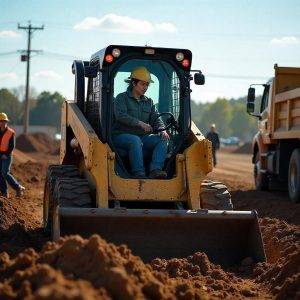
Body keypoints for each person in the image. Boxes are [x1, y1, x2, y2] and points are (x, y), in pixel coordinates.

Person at [113, 66, 169, 179]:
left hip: (142, 137)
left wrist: (163, 130)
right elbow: (121, 116)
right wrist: (140, 123)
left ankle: (155, 170)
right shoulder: (121, 98)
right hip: (120, 136)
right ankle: (139, 173)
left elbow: (156, 118)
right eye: (143, 84)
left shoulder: (149, 102)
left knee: (163, 139)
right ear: (134, 83)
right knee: (135, 140)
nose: (146, 87)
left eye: (147, 84)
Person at [0, 112, 25, 198]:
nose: (2, 123)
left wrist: (5, 154)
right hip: (0, 155)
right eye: (0, 121)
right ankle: (4, 193)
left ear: (6, 122)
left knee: (4, 172)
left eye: (4, 121)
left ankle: (18, 187)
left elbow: (12, 146)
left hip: (7, 156)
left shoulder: (11, 132)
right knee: (0, 174)